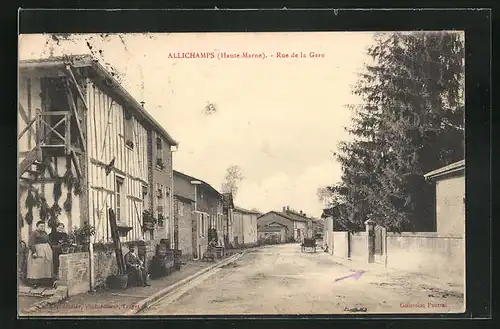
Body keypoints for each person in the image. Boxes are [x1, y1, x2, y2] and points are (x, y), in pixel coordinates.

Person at [27, 221, 53, 287]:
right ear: (37, 226)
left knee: (45, 266)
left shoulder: (45, 233)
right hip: (38, 251)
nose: (42, 227)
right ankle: (35, 282)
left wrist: (51, 248)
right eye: (41, 226)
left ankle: (44, 281)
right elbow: (31, 243)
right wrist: (34, 252)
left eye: (43, 226)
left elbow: (48, 241)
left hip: (46, 251)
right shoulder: (34, 233)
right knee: (37, 266)